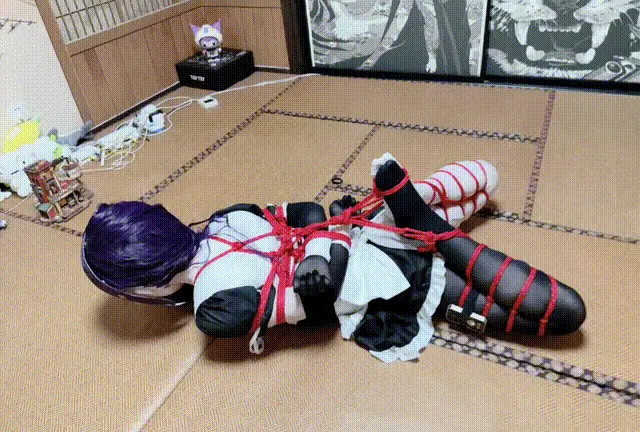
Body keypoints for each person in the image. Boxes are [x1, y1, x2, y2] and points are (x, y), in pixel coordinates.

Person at [81, 154, 585, 362]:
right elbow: (323, 283)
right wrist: (324, 245)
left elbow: (308, 222)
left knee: (487, 180)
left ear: (143, 286)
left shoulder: (219, 283)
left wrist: (320, 250)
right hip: (382, 268)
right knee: (562, 311)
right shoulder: (225, 240)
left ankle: (422, 219)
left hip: (374, 254)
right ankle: (420, 217)